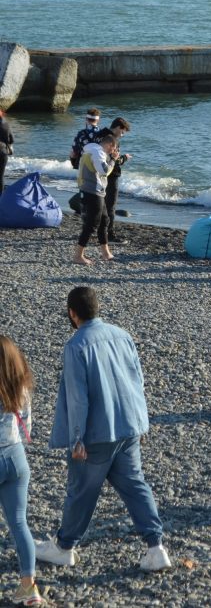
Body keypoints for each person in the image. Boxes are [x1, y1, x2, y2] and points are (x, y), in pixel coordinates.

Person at [35, 287, 172, 573]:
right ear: (97, 308)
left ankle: (64, 547)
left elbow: (78, 397)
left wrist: (76, 438)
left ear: (72, 314)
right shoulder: (122, 335)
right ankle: (156, 548)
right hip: (129, 426)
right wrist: (140, 420)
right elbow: (138, 378)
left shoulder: (76, 346)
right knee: (135, 485)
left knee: (81, 491)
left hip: (97, 434)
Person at [0, 337, 45, 606]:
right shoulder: (21, 388)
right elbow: (27, 423)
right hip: (16, 458)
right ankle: (29, 588)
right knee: (19, 524)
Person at [73, 133, 117, 265]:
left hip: (94, 191)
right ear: (109, 145)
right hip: (93, 192)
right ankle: (78, 255)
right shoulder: (98, 153)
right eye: (113, 148)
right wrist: (113, 160)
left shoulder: (90, 150)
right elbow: (104, 171)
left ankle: (105, 252)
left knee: (104, 220)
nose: (113, 151)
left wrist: (110, 158)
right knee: (92, 224)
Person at [94, 119, 133, 244]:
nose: (122, 135)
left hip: (96, 175)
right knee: (110, 206)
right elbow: (114, 160)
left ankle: (97, 231)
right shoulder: (111, 140)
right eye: (122, 132)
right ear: (117, 127)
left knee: (100, 205)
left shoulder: (99, 135)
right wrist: (124, 158)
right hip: (110, 175)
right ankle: (109, 235)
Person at [0, 109, 13, 196]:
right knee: (0, 176)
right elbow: (11, 140)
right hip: (3, 152)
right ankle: (1, 196)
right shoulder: (6, 124)